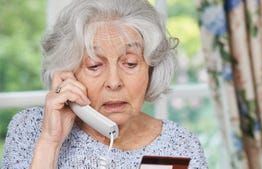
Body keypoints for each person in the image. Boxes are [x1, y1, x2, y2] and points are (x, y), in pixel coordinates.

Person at [1, 0, 208, 168]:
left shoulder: (180, 145)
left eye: (130, 63)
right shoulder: (31, 129)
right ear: (68, 73)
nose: (114, 82)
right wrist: (50, 143)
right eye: (94, 65)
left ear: (151, 69)